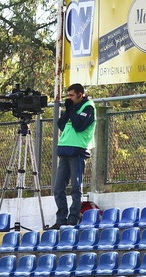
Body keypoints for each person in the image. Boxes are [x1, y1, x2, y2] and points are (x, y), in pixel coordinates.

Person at [53, 83, 96, 228]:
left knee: (76, 187)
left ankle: (73, 218)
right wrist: (68, 110)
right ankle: (61, 219)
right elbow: (61, 124)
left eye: (72, 95)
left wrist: (71, 111)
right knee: (58, 188)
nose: (69, 98)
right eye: (68, 95)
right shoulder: (73, 107)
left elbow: (79, 125)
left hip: (78, 150)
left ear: (80, 94)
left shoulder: (88, 107)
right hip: (65, 149)